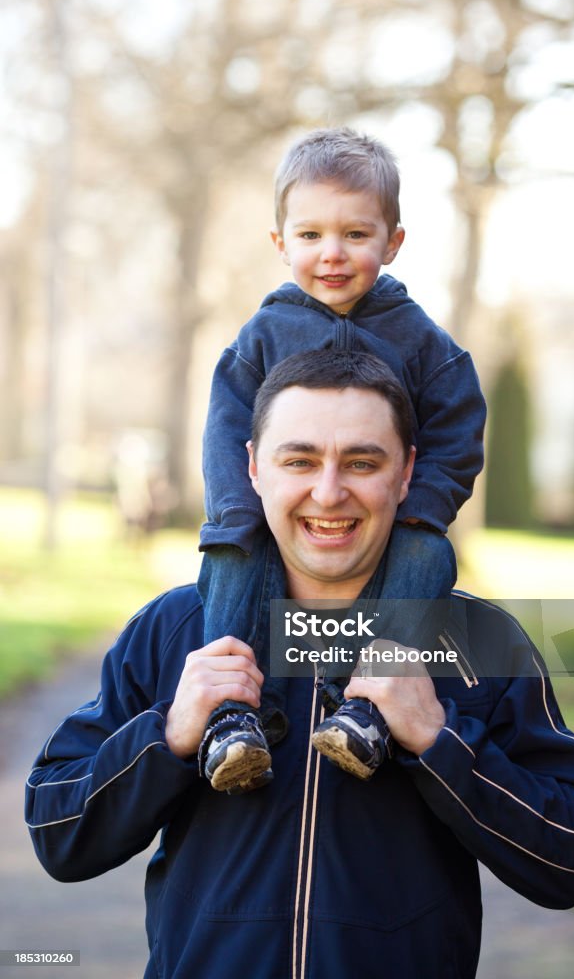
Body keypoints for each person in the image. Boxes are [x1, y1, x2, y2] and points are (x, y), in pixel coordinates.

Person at [26, 351, 574, 979]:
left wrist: (439, 742)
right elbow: (60, 832)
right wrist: (166, 736)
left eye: (362, 462)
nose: (328, 492)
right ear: (253, 467)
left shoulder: (479, 641)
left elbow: (572, 858)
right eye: (299, 460)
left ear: (407, 471)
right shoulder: (174, 631)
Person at [198, 126, 486, 793]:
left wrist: (420, 508)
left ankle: (367, 710)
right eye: (310, 236)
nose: (332, 254)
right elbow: (224, 427)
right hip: (268, 514)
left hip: (392, 521)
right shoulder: (265, 335)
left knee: (429, 556)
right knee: (231, 554)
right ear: (281, 244)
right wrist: (240, 511)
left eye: (356, 235)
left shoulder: (421, 340)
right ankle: (234, 716)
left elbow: (458, 425)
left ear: (392, 242)